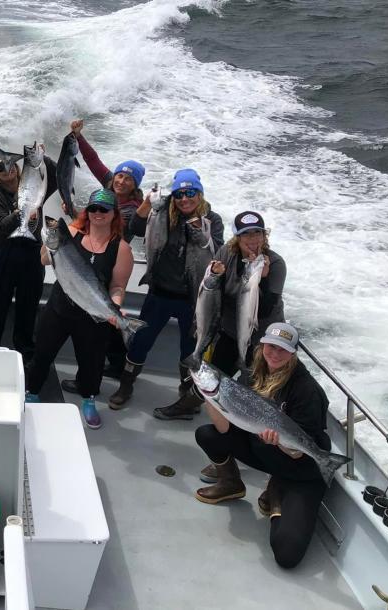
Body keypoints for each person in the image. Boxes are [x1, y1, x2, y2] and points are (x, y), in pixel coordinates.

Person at [194, 322, 331, 569]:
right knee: (208, 435)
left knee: (287, 555)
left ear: (293, 353)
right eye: (270, 347)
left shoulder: (307, 391)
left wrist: (281, 445)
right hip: (264, 451)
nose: (275, 354)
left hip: (301, 469)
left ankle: (277, 491)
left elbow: (303, 450)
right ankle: (231, 483)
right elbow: (225, 428)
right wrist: (210, 398)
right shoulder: (250, 375)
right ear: (262, 345)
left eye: (283, 350)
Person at [109, 169, 224, 419]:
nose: (184, 199)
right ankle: (126, 385)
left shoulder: (212, 219)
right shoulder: (162, 212)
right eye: (179, 193)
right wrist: (148, 204)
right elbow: (136, 228)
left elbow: (217, 248)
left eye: (190, 192)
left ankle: (186, 395)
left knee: (189, 349)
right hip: (159, 292)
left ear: (199, 194)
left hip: (193, 299)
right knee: (141, 341)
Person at [24, 189, 134, 429]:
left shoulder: (122, 249)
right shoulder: (71, 232)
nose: (98, 213)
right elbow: (44, 260)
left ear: (114, 213)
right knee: (42, 352)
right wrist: (49, 241)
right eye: (93, 208)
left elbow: (117, 287)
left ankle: (88, 399)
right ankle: (32, 392)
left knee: (91, 362)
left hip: (93, 315)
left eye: (104, 209)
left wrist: (115, 309)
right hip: (59, 308)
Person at [60, 120, 146, 389]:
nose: (120, 181)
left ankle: (109, 369)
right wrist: (78, 136)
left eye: (128, 179)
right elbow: (93, 161)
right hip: (92, 257)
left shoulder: (131, 209)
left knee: (102, 323)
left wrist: (74, 215)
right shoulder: (108, 187)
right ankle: (115, 364)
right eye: (120, 175)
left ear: (135, 185)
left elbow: (107, 232)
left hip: (110, 264)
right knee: (105, 321)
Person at [0, 149, 59, 363]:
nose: (6, 169)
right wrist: (21, 213)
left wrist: (43, 157)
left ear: (17, 167)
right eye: (0, 168)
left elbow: (56, 173)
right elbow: (0, 227)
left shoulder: (35, 186)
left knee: (28, 305)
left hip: (32, 253)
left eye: (10, 165)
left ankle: (25, 352)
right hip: (4, 252)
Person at [207, 211, 286, 377]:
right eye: (246, 234)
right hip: (230, 331)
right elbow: (213, 296)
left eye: (257, 232)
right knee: (213, 378)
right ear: (237, 237)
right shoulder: (225, 253)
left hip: (262, 338)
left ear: (264, 235)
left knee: (255, 388)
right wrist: (215, 276)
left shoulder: (276, 264)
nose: (253, 239)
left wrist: (263, 279)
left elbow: (265, 310)